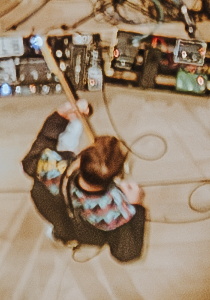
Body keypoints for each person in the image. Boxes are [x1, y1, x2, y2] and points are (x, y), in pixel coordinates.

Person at [22, 101, 147, 262]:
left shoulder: (53, 170)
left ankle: (59, 233)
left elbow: (29, 162)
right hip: (89, 233)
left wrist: (60, 116)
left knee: (60, 223)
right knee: (76, 231)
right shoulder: (115, 210)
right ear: (116, 175)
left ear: (80, 160)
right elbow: (126, 253)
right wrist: (136, 206)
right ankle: (64, 235)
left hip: (54, 210)